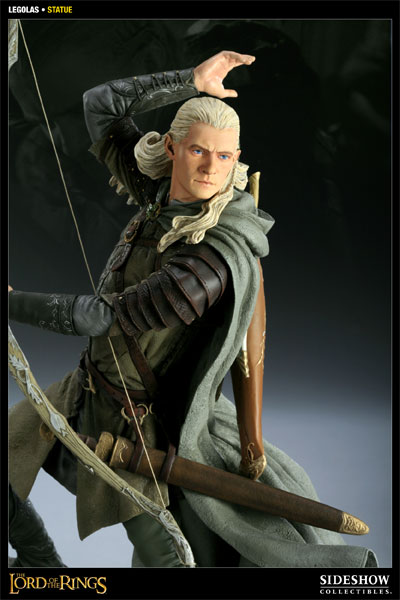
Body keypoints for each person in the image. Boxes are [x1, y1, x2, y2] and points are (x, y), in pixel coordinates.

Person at [8, 51, 377, 568]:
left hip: (139, 433)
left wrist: (10, 303)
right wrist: (190, 80)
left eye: (224, 157)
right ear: (172, 148)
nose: (209, 167)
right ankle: (41, 566)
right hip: (85, 393)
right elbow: (99, 105)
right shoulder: (160, 196)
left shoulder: (212, 258)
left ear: (237, 158)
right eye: (199, 150)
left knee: (165, 560)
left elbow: (103, 317)